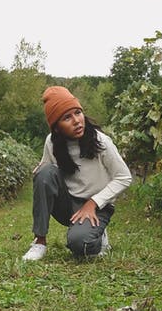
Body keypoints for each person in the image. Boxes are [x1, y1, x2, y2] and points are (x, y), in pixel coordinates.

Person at [22, 86, 132, 261]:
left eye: (78, 113)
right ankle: (39, 242)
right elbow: (47, 172)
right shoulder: (52, 142)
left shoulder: (100, 141)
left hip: (97, 207)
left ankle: (98, 235)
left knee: (82, 246)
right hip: (68, 205)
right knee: (44, 173)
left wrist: (93, 203)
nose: (77, 121)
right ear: (56, 128)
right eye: (67, 117)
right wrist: (40, 171)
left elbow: (124, 177)